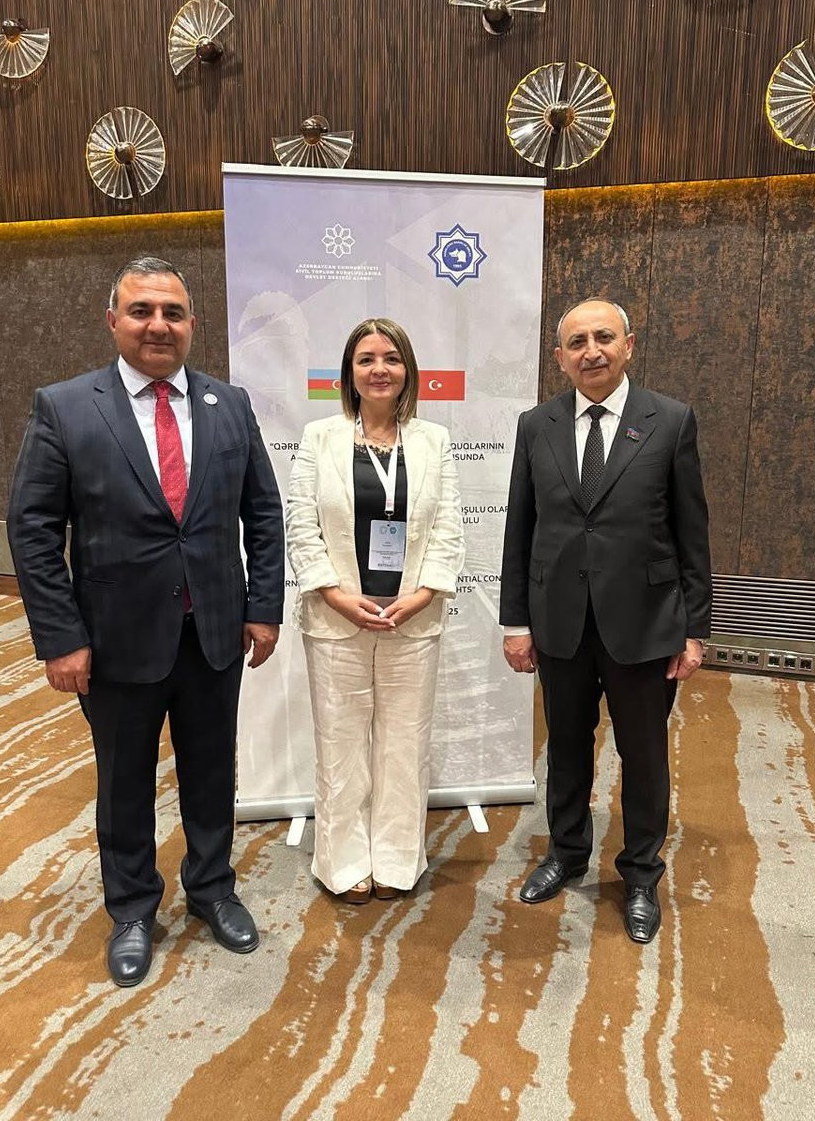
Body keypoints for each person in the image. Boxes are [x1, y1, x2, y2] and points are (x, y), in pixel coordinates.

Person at [7, 256, 284, 987]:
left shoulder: (230, 404)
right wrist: (61, 638)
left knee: (211, 768)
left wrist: (262, 608)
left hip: (214, 631)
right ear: (113, 321)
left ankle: (212, 888)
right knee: (125, 778)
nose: (158, 325)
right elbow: (33, 529)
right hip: (114, 640)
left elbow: (262, 512)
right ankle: (131, 908)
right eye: (142, 311)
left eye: (173, 312)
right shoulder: (65, 407)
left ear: (192, 324)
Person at [500, 298, 711, 943]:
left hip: (645, 623)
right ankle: (566, 853)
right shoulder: (536, 425)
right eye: (576, 342)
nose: (590, 351)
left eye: (603, 337)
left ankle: (641, 873)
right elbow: (520, 528)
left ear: (628, 345)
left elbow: (692, 531)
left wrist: (695, 629)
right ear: (559, 357)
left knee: (643, 756)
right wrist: (515, 621)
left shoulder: (670, 420)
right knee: (565, 746)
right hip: (559, 620)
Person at [286, 319, 464, 903]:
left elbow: (448, 528)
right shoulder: (319, 437)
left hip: (413, 619)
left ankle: (395, 860)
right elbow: (302, 526)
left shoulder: (434, 440)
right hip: (336, 620)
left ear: (407, 369)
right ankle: (342, 864)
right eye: (366, 359)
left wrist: (423, 595)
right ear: (350, 373)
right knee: (340, 746)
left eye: (391, 358)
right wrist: (335, 595)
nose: (379, 369)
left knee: (404, 745)